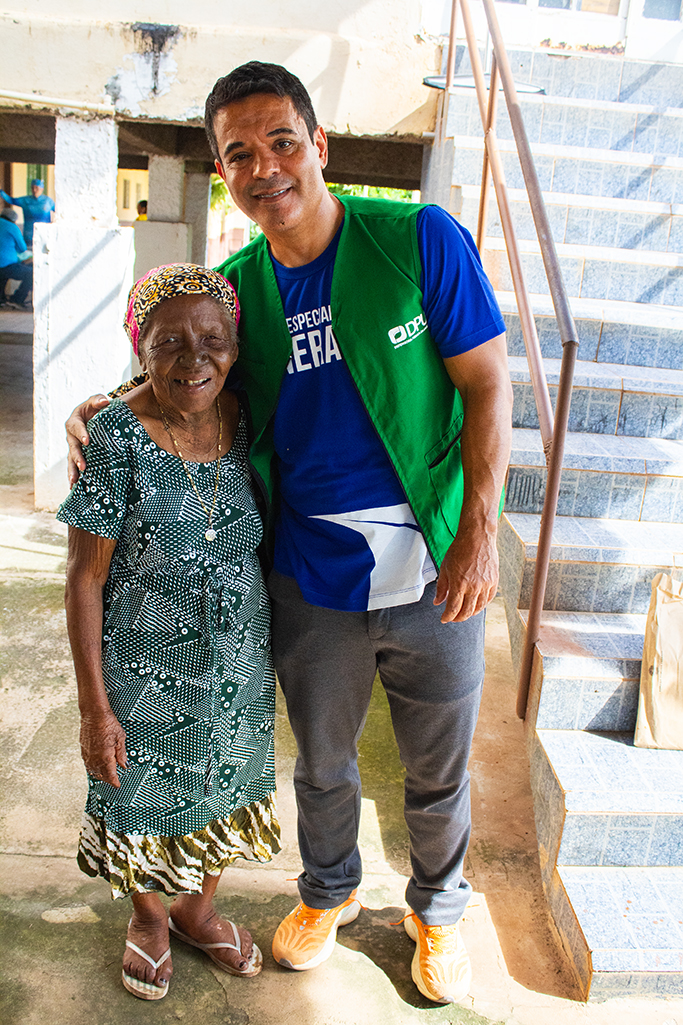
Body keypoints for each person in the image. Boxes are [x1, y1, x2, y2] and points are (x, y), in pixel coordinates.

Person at [66, 61, 513, 1006]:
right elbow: (181, 370)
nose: (263, 166)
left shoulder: (416, 239)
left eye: (281, 141)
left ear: (320, 145)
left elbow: (486, 385)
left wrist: (478, 532)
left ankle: (438, 910)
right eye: (238, 153)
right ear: (224, 172)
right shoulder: (237, 292)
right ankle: (328, 891)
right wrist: (100, 406)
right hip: (309, 579)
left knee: (436, 766)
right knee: (322, 763)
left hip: (435, 571)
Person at [58, 263, 280, 1001]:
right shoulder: (113, 438)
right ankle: (150, 918)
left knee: (226, 785)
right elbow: (84, 579)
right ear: (140, 348)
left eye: (213, 340)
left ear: (235, 346)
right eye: (169, 343)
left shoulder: (245, 416)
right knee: (142, 797)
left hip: (239, 664)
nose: (195, 359)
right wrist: (94, 708)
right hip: (144, 669)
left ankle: (197, 909)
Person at [0, 178, 55, 247]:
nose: (34, 190)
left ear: (42, 189)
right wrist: (1, 192)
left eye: (37, 188)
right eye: (32, 188)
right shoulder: (25, 200)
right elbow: (11, 200)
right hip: (29, 235)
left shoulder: (48, 201)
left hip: (45, 234)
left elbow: (58, 211)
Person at [0, 207, 33, 308]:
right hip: (6, 265)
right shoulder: (12, 227)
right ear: (13, 219)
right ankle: (17, 299)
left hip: (2, 266)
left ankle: (1, 299)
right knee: (31, 273)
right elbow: (22, 248)